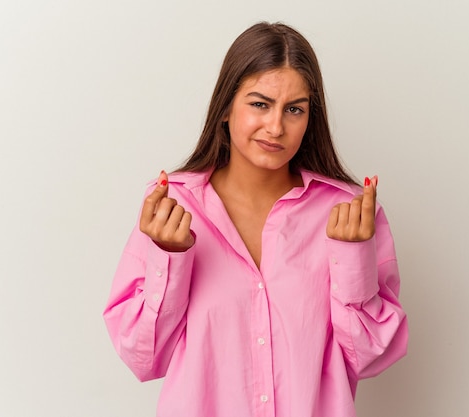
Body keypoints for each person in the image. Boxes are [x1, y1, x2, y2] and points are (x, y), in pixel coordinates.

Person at [103, 22, 408, 417]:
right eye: (260, 104)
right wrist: (169, 256)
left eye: (294, 109)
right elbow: (143, 357)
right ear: (227, 107)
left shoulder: (349, 214)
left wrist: (351, 258)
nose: (276, 126)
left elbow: (371, 358)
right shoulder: (173, 207)